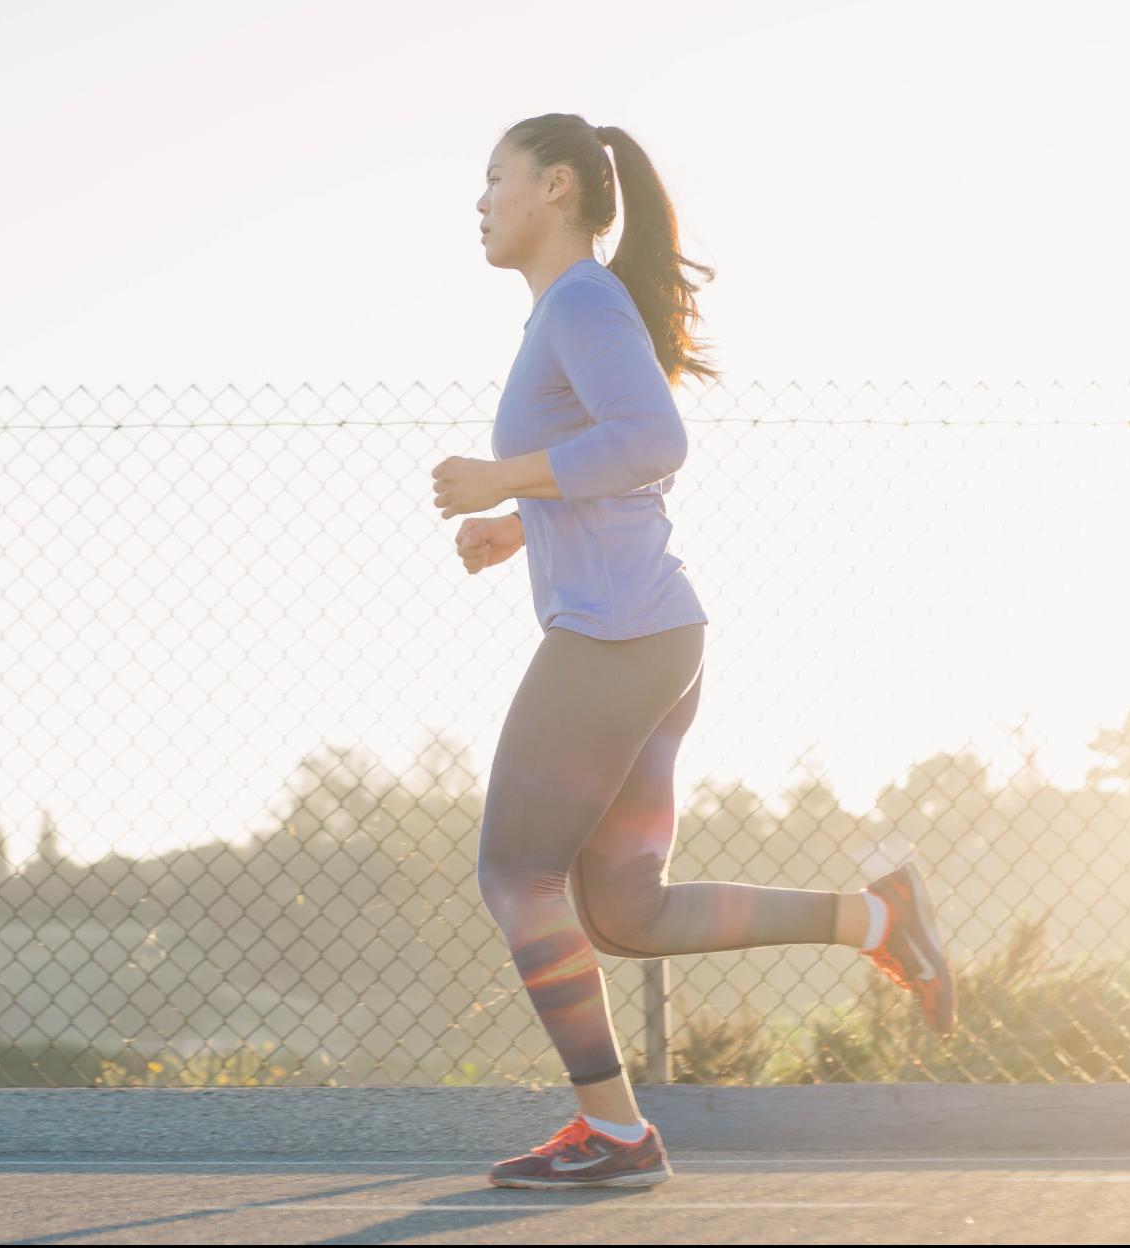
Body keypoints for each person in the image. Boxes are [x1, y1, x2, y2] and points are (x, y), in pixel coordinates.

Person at [430, 113, 956, 1191]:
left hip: (618, 638)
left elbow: (656, 440)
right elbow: (621, 464)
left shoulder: (578, 299)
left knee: (517, 873)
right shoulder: (569, 310)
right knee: (624, 910)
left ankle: (617, 1135)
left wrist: (504, 477)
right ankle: (879, 917)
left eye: (497, 179)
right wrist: (520, 521)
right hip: (654, 634)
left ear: (559, 187)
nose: (480, 201)